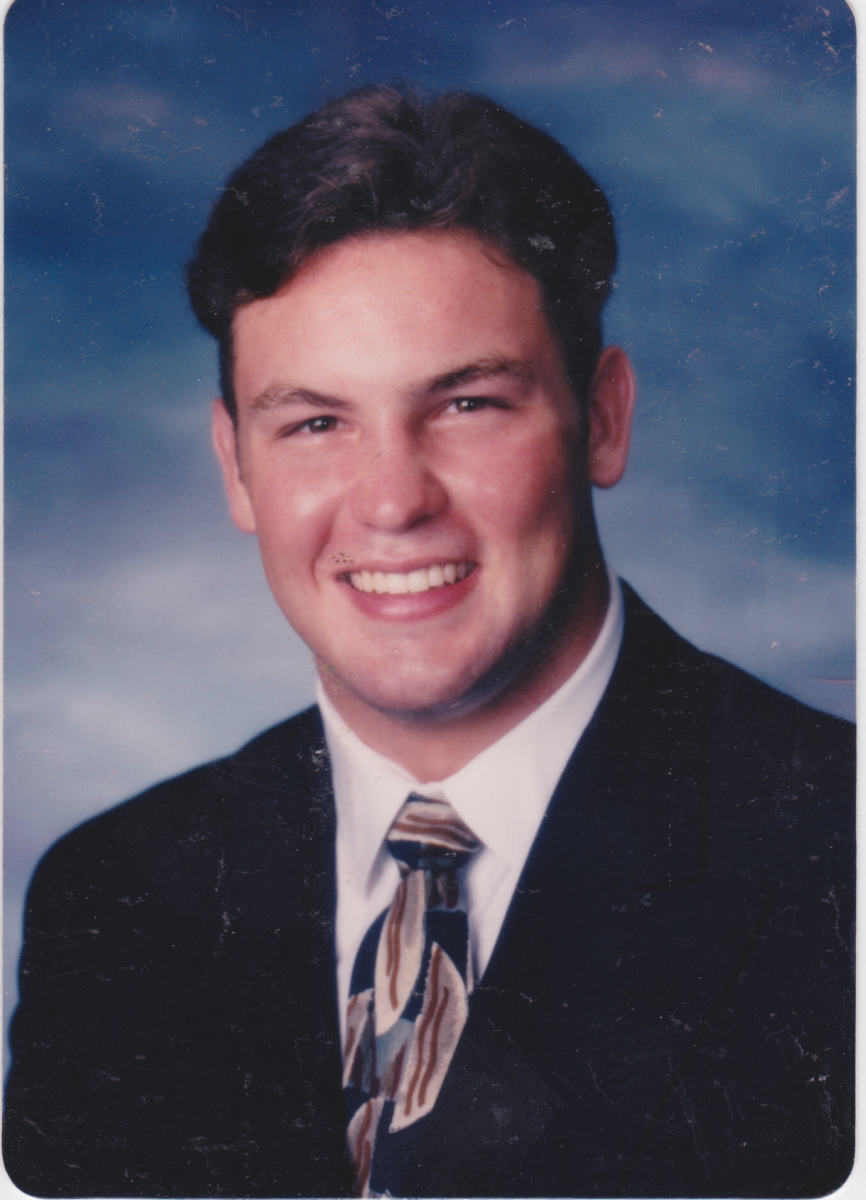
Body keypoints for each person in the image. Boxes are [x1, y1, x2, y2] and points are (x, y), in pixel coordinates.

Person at [3, 85, 854, 1200]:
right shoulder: (116, 896)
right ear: (235, 467)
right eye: (315, 422)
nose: (392, 501)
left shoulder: (831, 851)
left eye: (466, 405)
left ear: (603, 417)